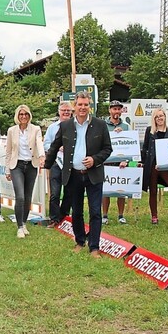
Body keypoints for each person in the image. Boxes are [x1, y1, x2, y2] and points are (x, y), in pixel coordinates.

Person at [44, 92, 112, 257]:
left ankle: (94, 247)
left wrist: (95, 159)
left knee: (95, 211)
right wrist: (46, 164)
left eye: (86, 105)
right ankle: (80, 241)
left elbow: (107, 149)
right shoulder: (65, 125)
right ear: (75, 106)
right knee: (77, 211)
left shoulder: (100, 125)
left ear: (90, 106)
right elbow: (54, 146)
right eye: (80, 104)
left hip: (93, 174)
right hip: (73, 174)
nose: (82, 108)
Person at [4, 105, 44, 239]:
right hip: (17, 166)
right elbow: (8, 151)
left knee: (28, 197)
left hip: (31, 165)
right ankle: (19, 227)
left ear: (29, 115)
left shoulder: (36, 129)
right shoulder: (11, 131)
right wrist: (7, 169)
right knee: (19, 196)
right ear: (17, 116)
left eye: (25, 114)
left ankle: (24, 222)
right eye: (21, 114)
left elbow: (39, 142)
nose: (23, 117)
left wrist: (42, 156)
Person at [140, 108, 168, 225]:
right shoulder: (149, 131)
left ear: (165, 117)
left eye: (161, 116)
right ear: (154, 119)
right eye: (157, 117)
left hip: (165, 165)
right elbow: (145, 147)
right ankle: (154, 216)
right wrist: (142, 161)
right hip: (152, 165)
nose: (159, 118)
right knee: (153, 191)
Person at [43, 100, 73, 227]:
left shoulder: (75, 126)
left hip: (71, 163)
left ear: (71, 112)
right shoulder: (52, 127)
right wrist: (57, 147)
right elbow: (46, 144)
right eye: (63, 111)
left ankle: (64, 216)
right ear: (59, 112)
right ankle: (54, 218)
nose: (66, 113)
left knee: (69, 192)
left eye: (68, 111)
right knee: (55, 193)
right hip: (56, 162)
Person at [102, 100, 129, 225]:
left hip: (120, 162)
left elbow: (129, 144)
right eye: (114, 109)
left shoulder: (126, 126)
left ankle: (120, 215)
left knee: (120, 190)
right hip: (106, 161)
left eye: (119, 109)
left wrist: (125, 160)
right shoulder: (103, 125)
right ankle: (105, 215)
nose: (116, 111)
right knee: (105, 190)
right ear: (110, 110)